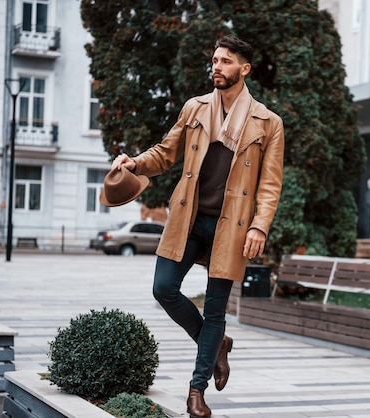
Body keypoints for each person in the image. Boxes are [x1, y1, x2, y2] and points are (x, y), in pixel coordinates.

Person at [109, 35, 284, 417]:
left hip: (232, 226)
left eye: (225, 61)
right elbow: (165, 152)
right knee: (164, 288)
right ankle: (217, 342)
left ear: (244, 68)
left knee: (217, 308)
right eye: (214, 60)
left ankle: (196, 390)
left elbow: (270, 184)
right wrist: (134, 163)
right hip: (188, 218)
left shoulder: (268, 123)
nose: (216, 66)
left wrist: (260, 227)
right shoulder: (195, 108)